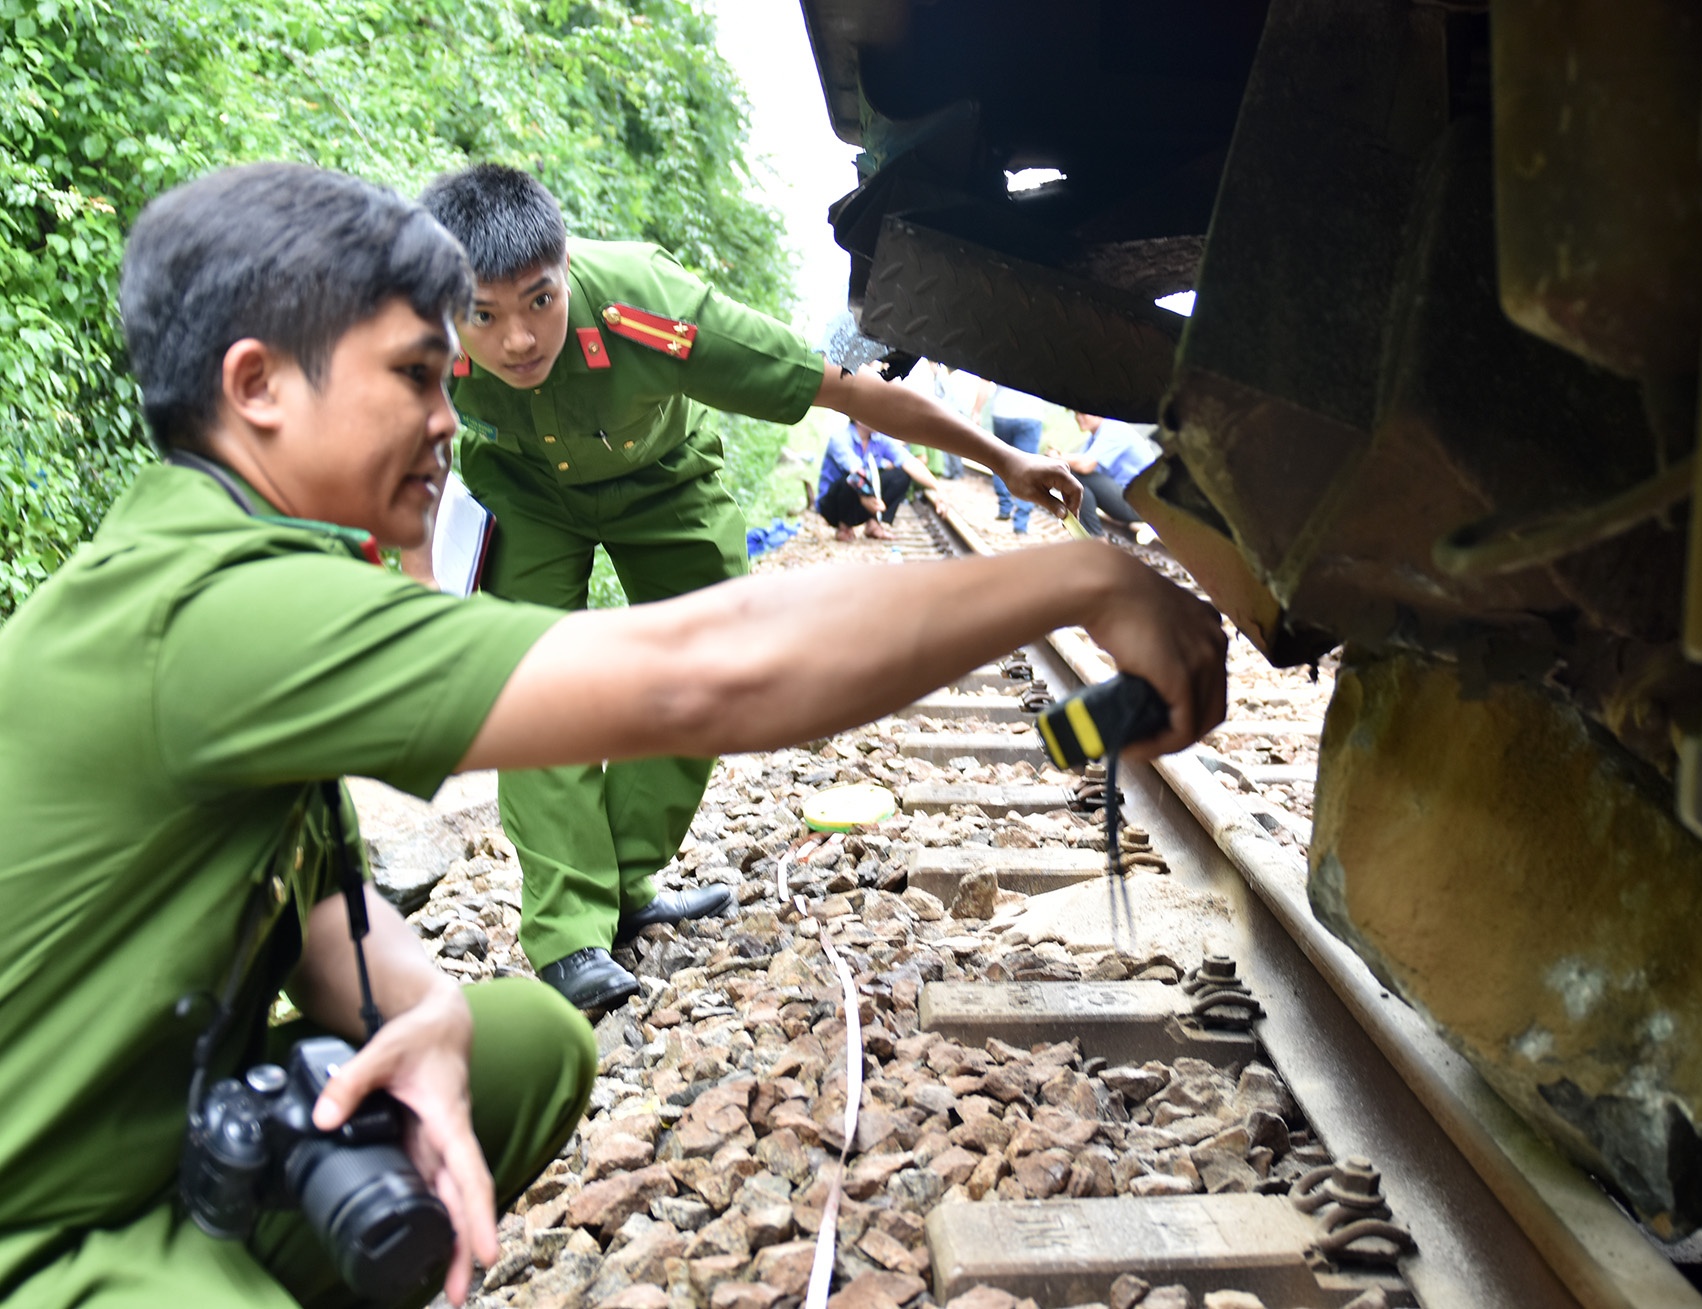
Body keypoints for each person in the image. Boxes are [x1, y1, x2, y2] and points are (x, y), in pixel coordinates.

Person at [0, 162, 1225, 1309]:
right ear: (259, 386)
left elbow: (321, 891)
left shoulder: (230, 559)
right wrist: (1079, 581)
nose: (451, 418)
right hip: (46, 1217)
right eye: (418, 375)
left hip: (179, 1133)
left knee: (519, 1044)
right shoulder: (218, 613)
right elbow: (701, 677)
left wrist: (416, 1004)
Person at [406, 165, 1086, 1011]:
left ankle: (620, 881)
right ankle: (570, 933)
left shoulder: (648, 306)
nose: (517, 339)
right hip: (522, 496)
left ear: (567, 266)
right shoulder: (410, 335)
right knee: (532, 685)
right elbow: (391, 454)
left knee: (713, 664)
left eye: (540, 301)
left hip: (661, 485)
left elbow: (839, 387)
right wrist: (418, 586)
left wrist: (1006, 458)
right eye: (484, 315)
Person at [815, 418, 946, 541]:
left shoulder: (880, 439)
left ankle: (874, 524)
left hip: (865, 500)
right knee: (851, 480)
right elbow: (855, 470)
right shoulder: (839, 439)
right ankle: (844, 527)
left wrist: (938, 488)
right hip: (833, 507)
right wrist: (865, 497)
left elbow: (909, 462)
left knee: (901, 476)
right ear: (858, 419)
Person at [1068, 412, 1163, 541]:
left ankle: (1096, 540)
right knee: (1076, 479)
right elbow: (1079, 462)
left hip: (1143, 504)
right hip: (1129, 498)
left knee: (1076, 476)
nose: (1078, 418)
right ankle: (1092, 537)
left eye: (1083, 413)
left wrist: (1058, 457)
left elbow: (1085, 465)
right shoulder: (1094, 438)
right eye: (1076, 414)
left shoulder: (1114, 430)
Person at [974, 381, 1052, 533]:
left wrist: (976, 410)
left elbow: (985, 382)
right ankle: (1021, 524)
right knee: (1029, 469)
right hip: (1031, 414)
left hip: (1003, 413)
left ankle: (1005, 507)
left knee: (1000, 461)